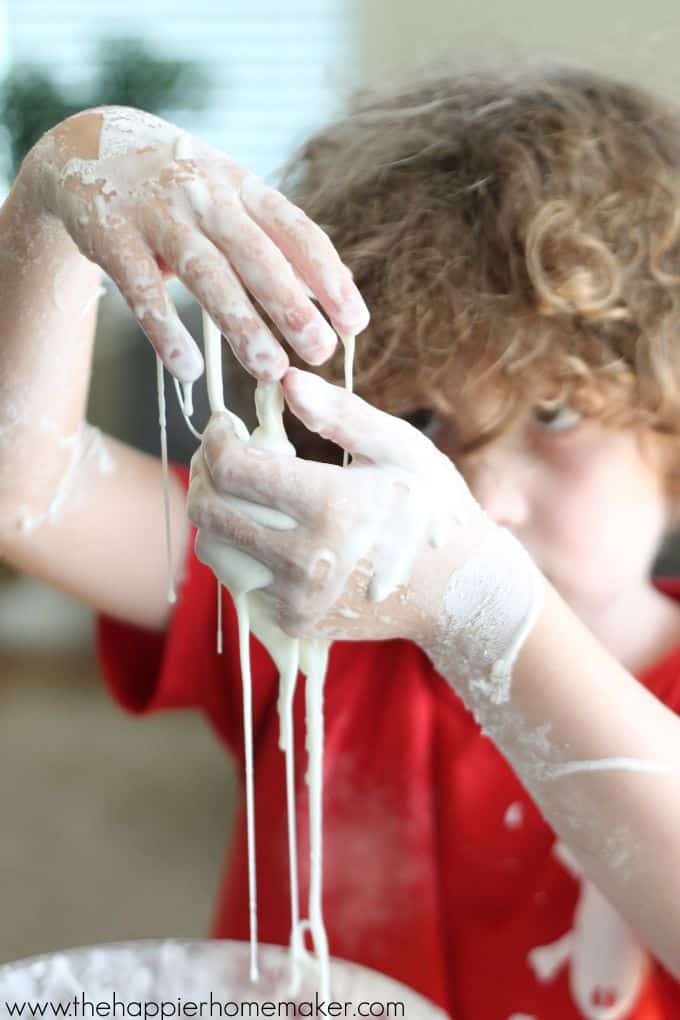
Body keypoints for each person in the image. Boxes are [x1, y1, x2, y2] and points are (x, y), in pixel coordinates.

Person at [1, 62, 680, 1018]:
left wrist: (482, 605)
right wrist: (57, 184)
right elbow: (25, 485)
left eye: (556, 415)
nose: (472, 492)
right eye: (424, 420)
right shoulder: (309, 613)